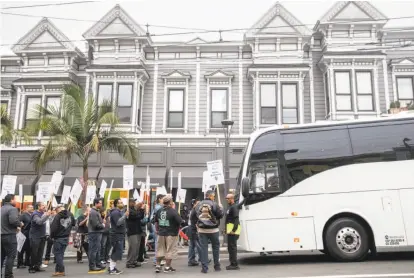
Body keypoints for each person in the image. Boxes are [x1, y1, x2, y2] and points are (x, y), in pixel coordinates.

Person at [196, 190, 224, 273]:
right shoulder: (215, 204)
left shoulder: (198, 204)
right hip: (213, 229)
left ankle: (204, 268)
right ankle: (217, 266)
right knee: (215, 247)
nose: (214, 197)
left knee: (204, 248)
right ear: (210, 196)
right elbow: (220, 215)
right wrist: (221, 208)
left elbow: (195, 215)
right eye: (213, 196)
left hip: (202, 230)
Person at [154, 195, 183, 273]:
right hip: (171, 233)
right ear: (170, 202)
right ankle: (167, 267)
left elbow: (155, 221)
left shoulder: (159, 210)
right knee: (169, 250)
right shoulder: (173, 211)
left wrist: (157, 230)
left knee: (160, 249)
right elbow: (180, 221)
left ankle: (157, 266)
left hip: (161, 233)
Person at [50, 204, 76, 277]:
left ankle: (61, 270)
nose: (55, 211)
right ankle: (57, 270)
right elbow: (74, 223)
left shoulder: (58, 216)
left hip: (58, 238)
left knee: (58, 254)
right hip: (66, 237)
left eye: (56, 209)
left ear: (59, 208)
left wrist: (52, 236)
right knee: (60, 254)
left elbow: (53, 228)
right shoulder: (70, 214)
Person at [1, 194, 23, 278]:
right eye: (15, 199)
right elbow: (13, 221)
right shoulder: (12, 209)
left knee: (1, 256)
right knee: (11, 256)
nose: (16, 201)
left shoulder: (1, 208)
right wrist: (20, 224)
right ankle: (8, 275)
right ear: (11, 200)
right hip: (9, 236)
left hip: (2, 235)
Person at [29, 202, 51, 273]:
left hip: (42, 236)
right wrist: (46, 215)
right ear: (38, 207)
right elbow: (39, 222)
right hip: (35, 236)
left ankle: (37, 266)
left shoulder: (43, 213)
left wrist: (47, 215)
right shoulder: (35, 214)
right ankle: (31, 267)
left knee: (40, 253)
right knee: (34, 253)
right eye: (42, 205)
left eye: (44, 205)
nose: (44, 207)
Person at [108, 198, 129, 275]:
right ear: (116, 204)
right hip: (116, 235)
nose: (122, 204)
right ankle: (112, 269)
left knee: (116, 251)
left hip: (119, 234)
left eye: (122, 202)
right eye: (120, 202)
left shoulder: (119, 212)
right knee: (117, 251)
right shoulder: (116, 213)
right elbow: (118, 222)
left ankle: (112, 267)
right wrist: (124, 215)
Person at [88, 198, 106, 273]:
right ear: (96, 203)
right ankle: (92, 266)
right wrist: (103, 225)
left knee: (98, 249)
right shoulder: (93, 212)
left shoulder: (96, 212)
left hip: (97, 233)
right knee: (94, 250)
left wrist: (102, 220)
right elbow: (96, 225)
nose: (101, 205)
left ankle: (98, 264)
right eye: (100, 203)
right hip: (94, 233)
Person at [126, 198, 144, 268]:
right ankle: (129, 262)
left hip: (137, 230)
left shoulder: (134, 209)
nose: (134, 203)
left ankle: (134, 260)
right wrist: (140, 209)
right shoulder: (129, 210)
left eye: (134, 201)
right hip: (132, 231)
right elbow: (137, 216)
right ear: (129, 203)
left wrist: (141, 209)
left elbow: (141, 217)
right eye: (133, 202)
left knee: (137, 247)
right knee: (132, 247)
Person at [225, 193, 241, 270]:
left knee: (232, 247)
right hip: (229, 229)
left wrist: (233, 230)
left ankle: (234, 264)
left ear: (232, 199)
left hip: (232, 230)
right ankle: (232, 263)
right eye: (226, 198)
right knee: (230, 247)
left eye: (228, 198)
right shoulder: (230, 207)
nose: (227, 200)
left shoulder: (234, 207)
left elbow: (236, 220)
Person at [151, 194, 165, 266]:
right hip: (156, 227)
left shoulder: (159, 207)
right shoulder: (158, 207)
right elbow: (156, 219)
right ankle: (156, 260)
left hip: (157, 226)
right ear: (160, 199)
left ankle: (158, 259)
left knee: (159, 243)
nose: (164, 200)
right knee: (158, 243)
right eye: (163, 198)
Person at [18, 204, 34, 268]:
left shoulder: (32, 215)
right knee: (21, 249)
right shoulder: (23, 215)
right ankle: (20, 263)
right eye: (31, 207)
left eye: (32, 207)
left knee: (29, 249)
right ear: (27, 208)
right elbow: (18, 221)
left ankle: (27, 262)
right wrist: (20, 225)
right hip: (24, 233)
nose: (32, 208)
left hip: (30, 233)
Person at [188, 198, 201, 266]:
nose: (200, 204)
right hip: (193, 230)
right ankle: (202, 258)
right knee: (198, 245)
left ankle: (191, 260)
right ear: (195, 204)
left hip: (192, 229)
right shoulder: (195, 211)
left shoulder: (193, 210)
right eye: (198, 203)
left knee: (192, 245)